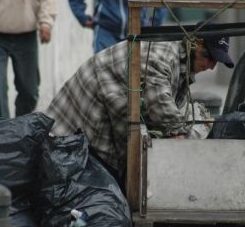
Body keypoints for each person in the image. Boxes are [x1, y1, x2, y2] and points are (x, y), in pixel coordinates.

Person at [45, 36, 235, 180]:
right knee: (91, 171)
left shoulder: (180, 65)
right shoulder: (162, 58)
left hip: (106, 109)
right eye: (208, 57)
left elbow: (174, 109)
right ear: (193, 43)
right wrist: (183, 135)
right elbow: (161, 106)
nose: (210, 66)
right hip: (84, 112)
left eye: (215, 62)